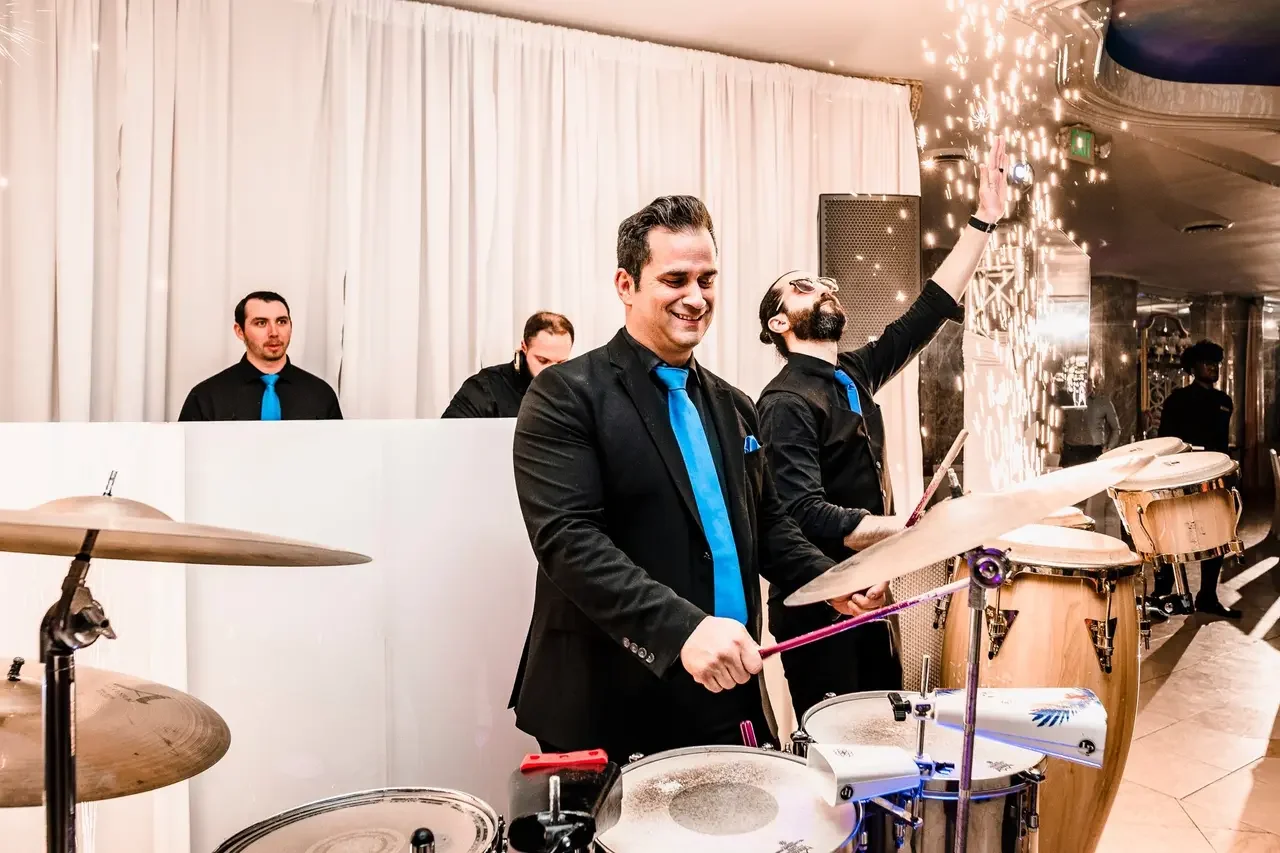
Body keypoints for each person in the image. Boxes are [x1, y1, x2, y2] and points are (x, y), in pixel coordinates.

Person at [509, 195, 869, 761]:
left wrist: (833, 581)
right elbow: (570, 542)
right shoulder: (563, 396)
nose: (696, 297)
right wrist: (681, 631)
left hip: (725, 688)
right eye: (675, 278)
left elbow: (768, 525)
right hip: (609, 700)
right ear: (626, 284)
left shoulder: (734, 406)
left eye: (707, 279)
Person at [755, 139, 1008, 717]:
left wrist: (982, 222)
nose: (824, 288)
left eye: (824, 284)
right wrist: (908, 530)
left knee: (884, 734)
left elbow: (928, 311)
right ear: (778, 321)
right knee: (839, 749)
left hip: (870, 590)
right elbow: (800, 513)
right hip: (817, 600)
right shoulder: (784, 401)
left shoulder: (851, 372)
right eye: (802, 286)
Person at [1154, 340, 1241, 619]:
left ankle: (1208, 595)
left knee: (1215, 536)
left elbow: (1221, 444)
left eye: (1216, 362)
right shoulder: (1177, 400)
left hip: (1215, 477)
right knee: (1172, 534)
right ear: (1193, 367)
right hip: (1182, 475)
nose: (1214, 367)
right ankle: (1163, 594)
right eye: (1208, 363)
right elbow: (1165, 441)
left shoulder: (1224, 402)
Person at [178, 291, 341, 421]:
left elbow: (337, 459)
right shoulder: (205, 397)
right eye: (261, 323)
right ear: (239, 331)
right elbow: (186, 460)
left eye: (281, 322)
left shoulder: (321, 394)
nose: (274, 333)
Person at [441, 312, 575, 418]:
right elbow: (450, 438)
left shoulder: (576, 392)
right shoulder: (485, 387)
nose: (551, 370)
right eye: (542, 360)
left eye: (561, 363)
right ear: (524, 347)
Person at [1061, 368, 1122, 467]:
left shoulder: (1103, 402)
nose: (1085, 382)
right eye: (1081, 379)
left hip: (1094, 452)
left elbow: (1116, 429)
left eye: (1088, 379)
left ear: (1093, 382)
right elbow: (1059, 426)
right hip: (1071, 451)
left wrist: (1108, 449)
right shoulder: (1067, 401)